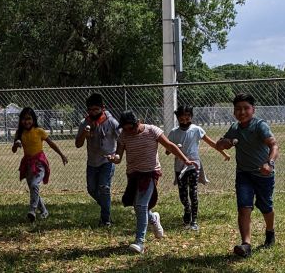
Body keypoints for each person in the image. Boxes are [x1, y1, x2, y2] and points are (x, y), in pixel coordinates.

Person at [108, 110, 198, 254]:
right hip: (133, 174)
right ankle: (154, 218)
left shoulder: (152, 131)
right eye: (124, 128)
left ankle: (140, 242)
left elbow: (170, 146)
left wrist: (185, 160)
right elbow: (119, 157)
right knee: (138, 207)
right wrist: (114, 158)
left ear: (138, 122)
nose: (128, 131)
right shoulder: (124, 135)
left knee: (141, 205)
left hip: (150, 173)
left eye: (130, 128)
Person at [216, 93, 279, 258]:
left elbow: (274, 146)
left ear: (253, 109)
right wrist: (225, 143)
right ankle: (246, 245)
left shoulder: (260, 126)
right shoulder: (234, 128)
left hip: (263, 174)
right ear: (233, 111)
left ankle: (270, 231)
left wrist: (269, 164)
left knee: (266, 207)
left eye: (246, 108)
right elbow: (220, 144)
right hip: (243, 174)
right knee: (244, 207)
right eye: (238, 109)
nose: (242, 112)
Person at [166, 105, 230, 231]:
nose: (185, 121)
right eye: (182, 119)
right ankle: (187, 210)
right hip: (179, 166)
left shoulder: (196, 130)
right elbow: (168, 151)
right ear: (177, 118)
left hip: (194, 165)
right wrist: (173, 149)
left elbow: (212, 143)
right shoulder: (173, 133)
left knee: (193, 192)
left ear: (191, 117)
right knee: (183, 194)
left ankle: (194, 220)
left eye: (187, 118)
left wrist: (224, 153)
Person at [12, 107, 68, 222]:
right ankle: (44, 211)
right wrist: (16, 144)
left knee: (34, 185)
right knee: (33, 188)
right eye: (24, 119)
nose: (26, 121)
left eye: (29, 119)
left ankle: (32, 210)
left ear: (33, 119)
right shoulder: (19, 133)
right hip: (27, 163)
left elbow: (51, 144)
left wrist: (62, 155)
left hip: (39, 163)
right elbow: (13, 150)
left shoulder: (39, 131)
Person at [75, 93, 120, 227]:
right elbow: (78, 144)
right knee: (92, 189)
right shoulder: (85, 123)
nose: (93, 112)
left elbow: (122, 139)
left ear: (103, 108)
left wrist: (117, 155)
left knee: (104, 187)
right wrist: (84, 134)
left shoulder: (111, 122)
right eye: (90, 110)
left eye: (96, 109)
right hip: (92, 162)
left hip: (107, 161)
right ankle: (107, 209)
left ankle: (105, 220)